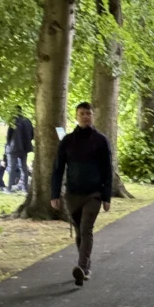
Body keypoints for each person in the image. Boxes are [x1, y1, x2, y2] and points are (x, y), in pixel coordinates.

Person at [51, 101, 113, 286]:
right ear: (76, 116)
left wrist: (106, 197)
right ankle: (85, 267)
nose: (85, 116)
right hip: (72, 194)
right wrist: (55, 194)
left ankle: (82, 267)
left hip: (93, 193)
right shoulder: (67, 141)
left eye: (88, 113)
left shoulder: (101, 140)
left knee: (86, 229)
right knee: (79, 232)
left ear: (93, 116)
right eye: (82, 114)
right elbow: (58, 168)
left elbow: (107, 170)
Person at [8, 106, 33, 193]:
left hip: (14, 148)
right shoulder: (27, 121)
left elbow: (9, 135)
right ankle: (25, 188)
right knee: (24, 167)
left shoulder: (13, 120)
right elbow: (32, 134)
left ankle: (9, 188)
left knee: (13, 167)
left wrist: (8, 144)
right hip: (24, 149)